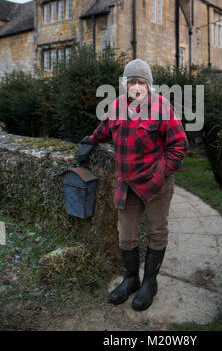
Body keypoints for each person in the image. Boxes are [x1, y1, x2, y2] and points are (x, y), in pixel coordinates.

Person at [77, 58, 188, 311]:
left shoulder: (162, 108)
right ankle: (131, 279)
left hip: (156, 185)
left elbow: (179, 145)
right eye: (131, 82)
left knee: (157, 233)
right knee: (126, 236)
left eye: (141, 82)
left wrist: (160, 173)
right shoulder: (116, 106)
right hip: (126, 185)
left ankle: (150, 282)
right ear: (125, 85)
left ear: (148, 85)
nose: (136, 87)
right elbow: (104, 129)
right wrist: (89, 142)